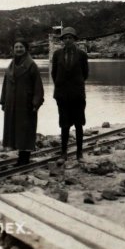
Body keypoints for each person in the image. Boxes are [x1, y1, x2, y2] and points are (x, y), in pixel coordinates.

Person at [0, 38, 44, 166]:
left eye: (21, 47)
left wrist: (36, 103)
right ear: (13, 49)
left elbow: (38, 86)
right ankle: (20, 157)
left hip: (26, 104)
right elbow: (5, 84)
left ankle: (25, 159)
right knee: (16, 130)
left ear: (26, 49)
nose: (18, 49)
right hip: (12, 104)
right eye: (16, 47)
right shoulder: (11, 65)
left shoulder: (31, 65)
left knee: (25, 130)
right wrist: (3, 101)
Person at [51, 27, 89, 161]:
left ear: (75, 40)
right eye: (65, 38)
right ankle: (63, 153)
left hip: (77, 95)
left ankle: (79, 153)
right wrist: (61, 87)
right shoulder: (57, 55)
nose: (67, 40)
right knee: (64, 124)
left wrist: (76, 85)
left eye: (70, 38)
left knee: (79, 124)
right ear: (62, 40)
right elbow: (54, 74)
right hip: (62, 95)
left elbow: (85, 74)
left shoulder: (82, 55)